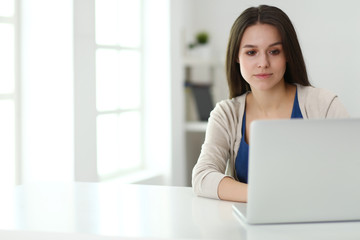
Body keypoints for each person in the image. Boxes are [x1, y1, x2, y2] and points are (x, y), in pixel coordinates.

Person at [192, 5, 349, 203]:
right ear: (236, 57)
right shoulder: (226, 114)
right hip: (251, 229)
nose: (263, 63)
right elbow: (203, 177)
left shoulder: (324, 104)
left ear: (288, 55)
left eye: (274, 51)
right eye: (251, 52)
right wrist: (267, 196)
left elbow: (351, 171)